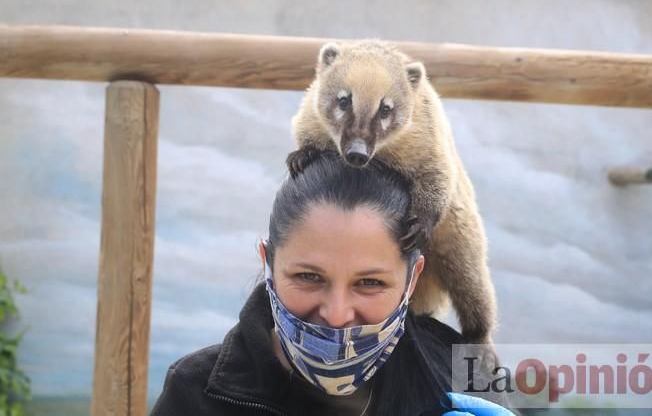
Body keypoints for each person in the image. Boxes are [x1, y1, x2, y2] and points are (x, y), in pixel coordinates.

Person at [151, 152, 513, 416]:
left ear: (412, 278)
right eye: (308, 278)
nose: (337, 315)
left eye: (369, 283)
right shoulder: (196, 394)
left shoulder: (466, 375)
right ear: (268, 263)